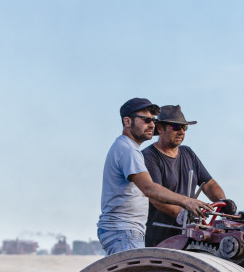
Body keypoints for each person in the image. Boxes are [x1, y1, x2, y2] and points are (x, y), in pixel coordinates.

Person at [97, 98, 209, 256]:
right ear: (127, 121)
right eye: (146, 120)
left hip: (126, 230)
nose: (151, 125)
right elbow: (149, 188)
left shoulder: (127, 148)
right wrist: (187, 201)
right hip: (123, 230)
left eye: (153, 121)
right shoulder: (128, 150)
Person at [142, 105, 235, 247]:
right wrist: (183, 215)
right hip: (159, 239)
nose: (180, 132)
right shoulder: (149, 157)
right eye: (175, 127)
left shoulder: (188, 154)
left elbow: (209, 184)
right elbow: (156, 198)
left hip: (187, 237)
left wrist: (223, 202)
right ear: (160, 128)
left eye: (184, 128)